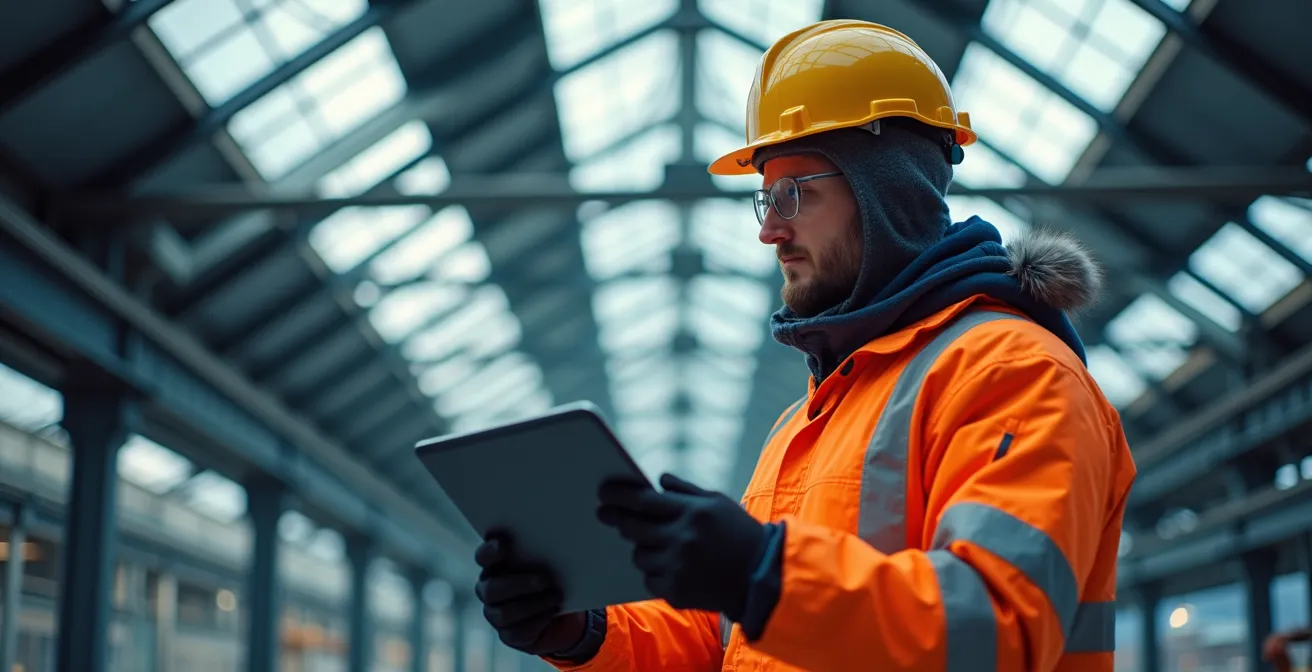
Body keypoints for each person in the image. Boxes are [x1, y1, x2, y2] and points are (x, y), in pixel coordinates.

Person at [472, 19, 1137, 671]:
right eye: (765, 200)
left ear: (889, 192)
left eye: (793, 194)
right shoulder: (816, 414)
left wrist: (764, 575)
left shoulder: (1015, 374)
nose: (771, 233)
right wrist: (583, 629)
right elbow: (734, 643)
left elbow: (995, 629)